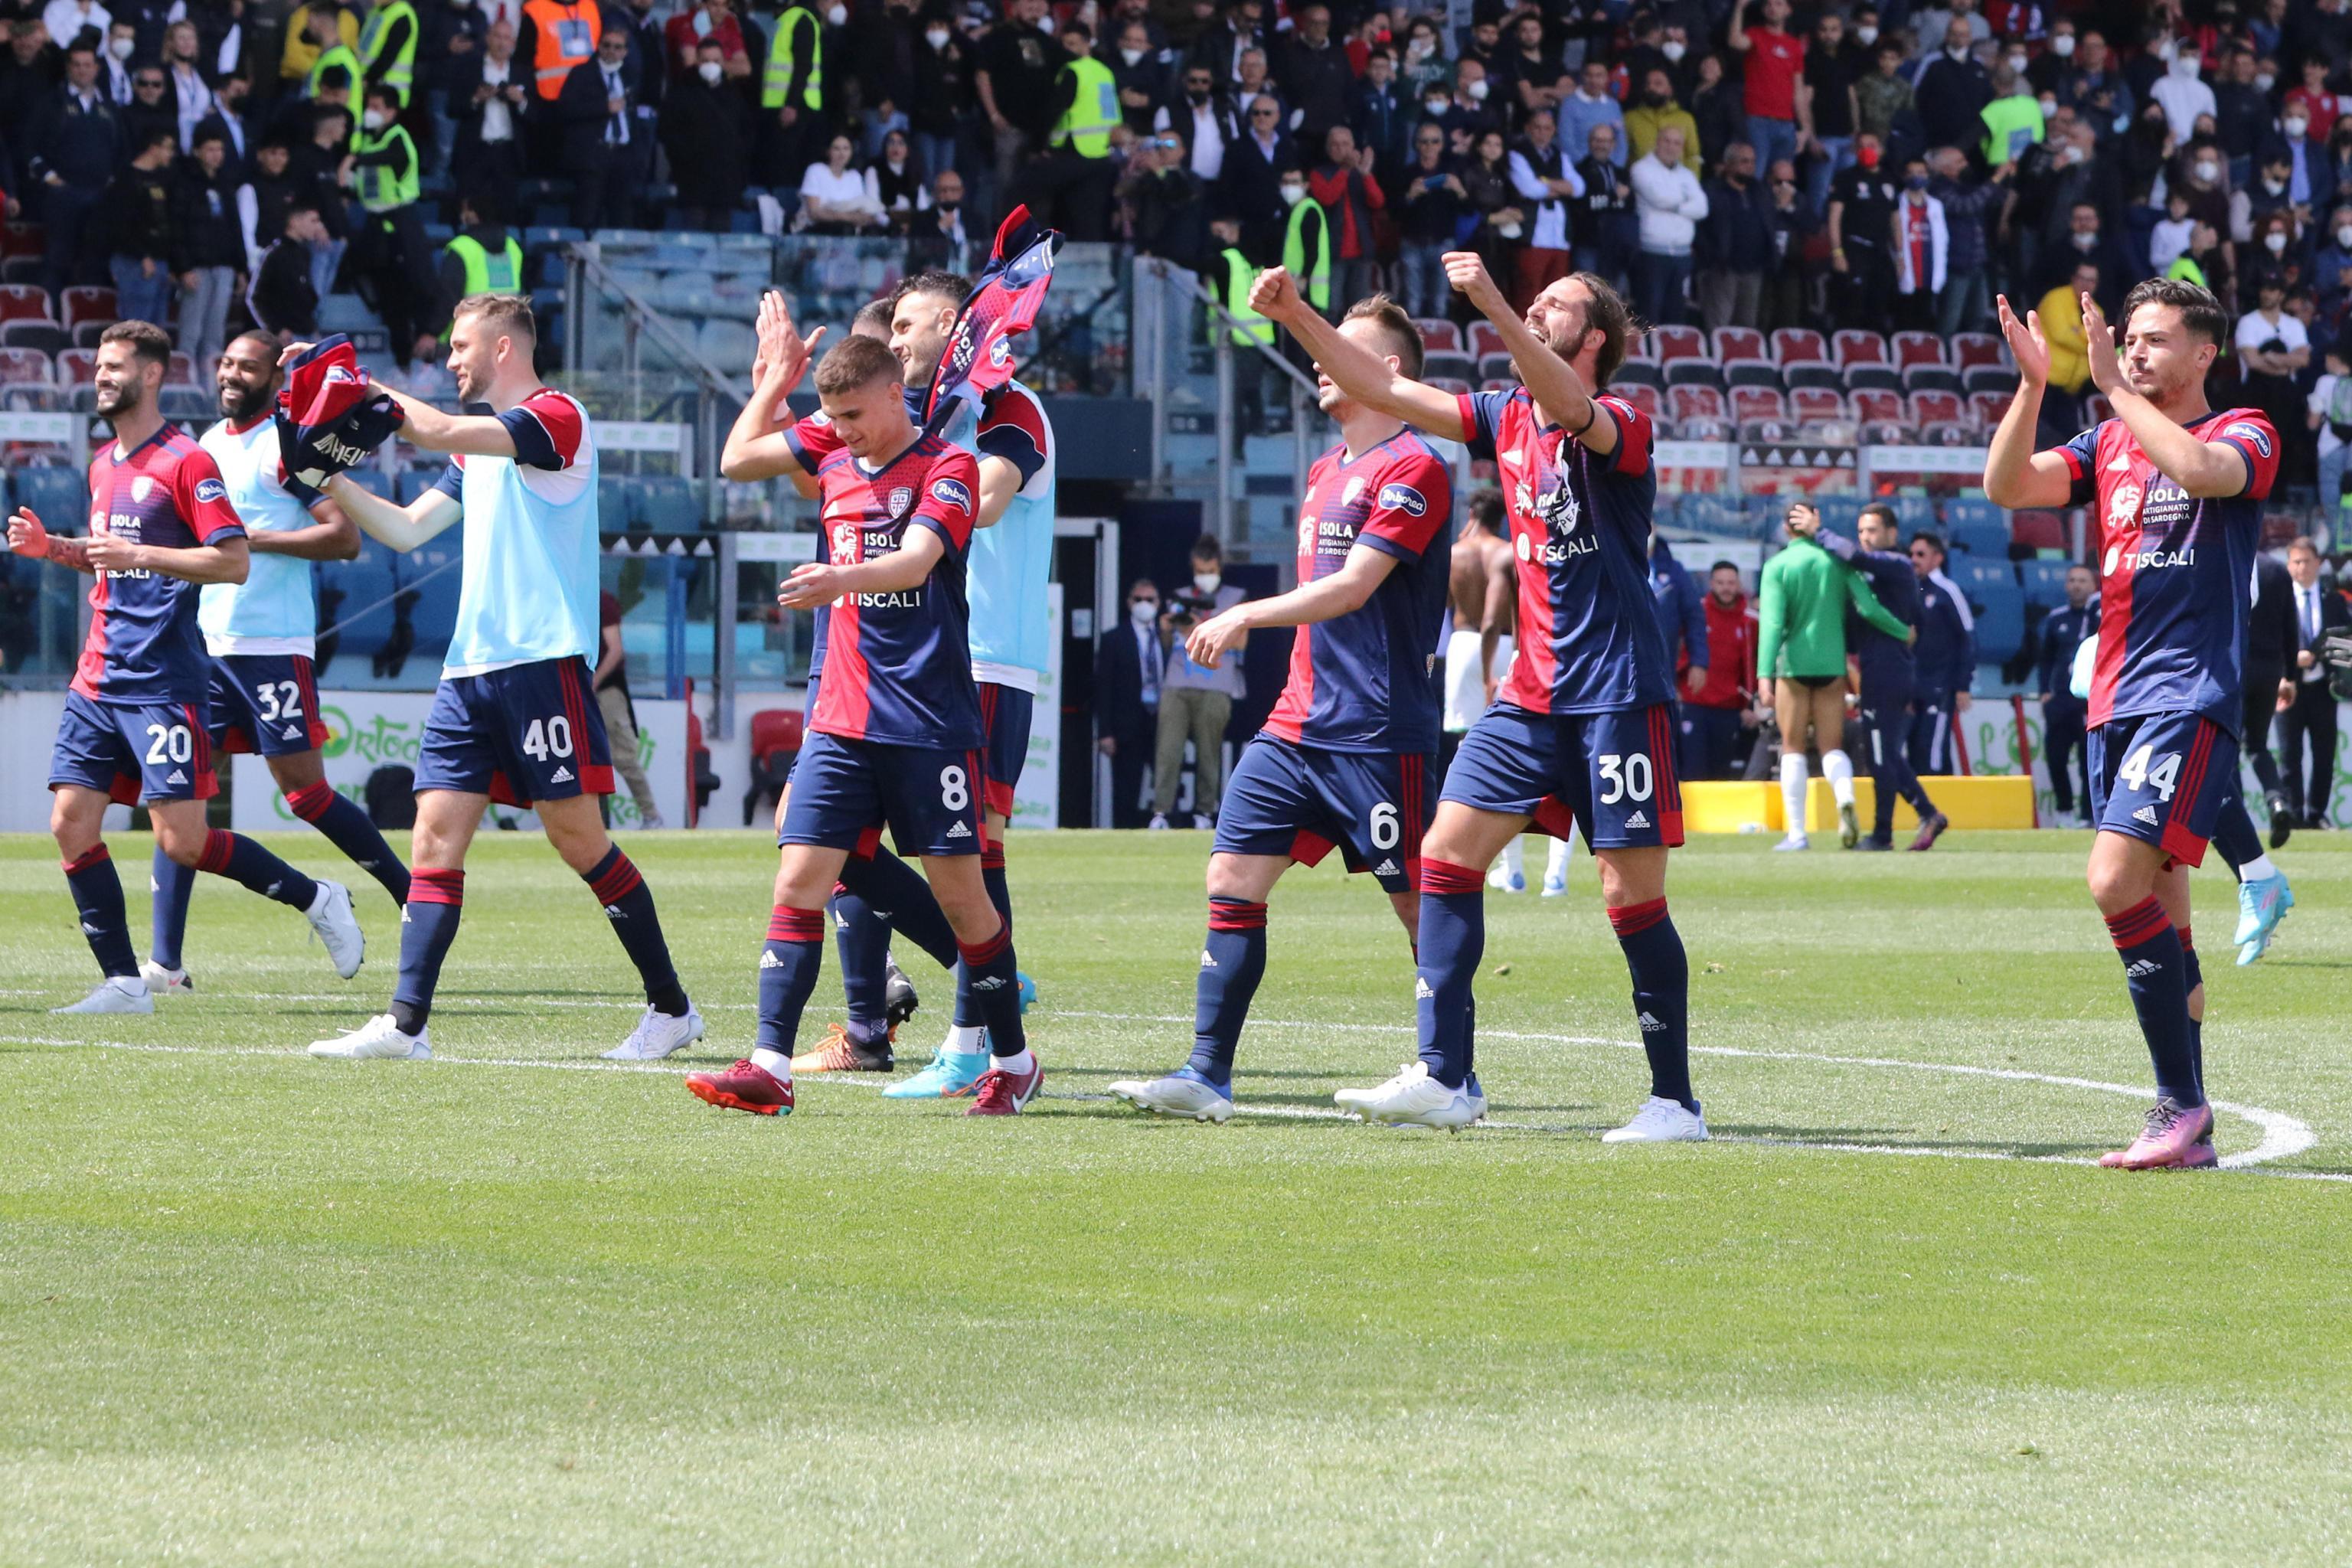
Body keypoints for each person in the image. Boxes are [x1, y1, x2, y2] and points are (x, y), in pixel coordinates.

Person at [1252, 253, 1705, 1142]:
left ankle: (1674, 1100)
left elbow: (1569, 405)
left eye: (1556, 306)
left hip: (1618, 693)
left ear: (1595, 339)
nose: (1538, 308)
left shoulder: (1618, 419)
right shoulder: (1499, 416)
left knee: (1628, 897)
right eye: (1533, 300)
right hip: (1530, 694)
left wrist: (1495, 301)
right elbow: (1388, 389)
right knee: (1447, 854)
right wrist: (1299, 317)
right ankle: (1447, 1074)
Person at [302, 294, 704, 1064]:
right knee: (433, 837)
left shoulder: (557, 416)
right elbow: (406, 526)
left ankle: (672, 1008)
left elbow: (443, 426)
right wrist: (327, 478)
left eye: (460, 346)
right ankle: (406, 1025)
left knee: (578, 839)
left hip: (540, 658)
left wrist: (366, 394)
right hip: (472, 666)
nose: (451, 359)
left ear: (505, 347)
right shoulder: (476, 449)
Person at [1108, 297, 1453, 1124]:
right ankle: (1206, 1071)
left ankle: (1449, 1073)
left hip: (1376, 729)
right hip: (1296, 724)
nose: (1323, 357)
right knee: (1230, 876)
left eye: (1345, 345)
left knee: (1417, 902)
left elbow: (1353, 587)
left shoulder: (1419, 466)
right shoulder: (1326, 469)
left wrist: (1243, 614)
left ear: (1391, 371)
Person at [684, 335, 1040, 1119]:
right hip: (842, 718)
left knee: (965, 906)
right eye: (831, 415)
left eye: (851, 414)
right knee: (798, 880)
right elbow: (738, 458)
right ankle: (770, 1063)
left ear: (892, 396)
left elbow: (915, 561)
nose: (839, 430)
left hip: (929, 724)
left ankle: (1014, 1060)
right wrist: (775, 382)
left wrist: (839, 577)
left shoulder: (947, 466)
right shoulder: (837, 460)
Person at [1983, 277, 2278, 1168]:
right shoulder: (2107, 439)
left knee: (2113, 880)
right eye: (2129, 339)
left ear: (2203, 354)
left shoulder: (2246, 430)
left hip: (2188, 696)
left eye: (2154, 340)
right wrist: (2034, 388)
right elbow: (2007, 487)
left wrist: (2110, 383)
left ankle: (2180, 1104)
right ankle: (2187, 1124)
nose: (2136, 351)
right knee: (2165, 916)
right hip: (2114, 700)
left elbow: (2198, 472)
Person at [8, 321, 366, 1017]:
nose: (100, 376)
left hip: (164, 682)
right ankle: (124, 983)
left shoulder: (185, 461)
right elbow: (111, 552)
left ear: (150, 376)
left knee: (185, 841)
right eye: (99, 366)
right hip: (98, 675)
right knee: (70, 823)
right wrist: (54, 547)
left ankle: (318, 898)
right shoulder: (104, 462)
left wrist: (139, 556)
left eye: (113, 367)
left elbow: (230, 560)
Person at [144, 333, 414, 995]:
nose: (233, 373)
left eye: (248, 366)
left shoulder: (290, 447)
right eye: (227, 362)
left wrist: (246, 539)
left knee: (305, 795)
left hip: (273, 648)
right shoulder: (205, 445)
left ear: (271, 378)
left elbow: (344, 538)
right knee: (182, 796)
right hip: (205, 647)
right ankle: (166, 964)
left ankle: (410, 895)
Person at [1756, 501, 1911, 851]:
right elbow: (1868, 607)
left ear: (1784, 529)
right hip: (1832, 664)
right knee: (1832, 746)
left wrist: (1765, 673)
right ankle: (1844, 797)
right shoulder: (1837, 562)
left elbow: (1773, 625)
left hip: (1793, 666)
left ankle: (1797, 834)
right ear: (1815, 521)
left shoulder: (1777, 565)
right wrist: (1902, 631)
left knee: (1793, 747)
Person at [1826, 503, 1949, 850]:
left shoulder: (1896, 565)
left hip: (1889, 672)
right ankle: (1928, 814)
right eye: (1862, 531)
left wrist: (1819, 532)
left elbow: (1853, 556)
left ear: (1892, 534)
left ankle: (1883, 834)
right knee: (1886, 752)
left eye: (1873, 531)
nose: (1865, 537)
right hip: (1881, 670)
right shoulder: (1875, 577)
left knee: (1882, 753)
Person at [1150, 535, 1246, 829]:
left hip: (1216, 684)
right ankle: (1161, 813)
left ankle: (1205, 812)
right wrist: (1167, 627)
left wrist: (1199, 626)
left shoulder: (1235, 598)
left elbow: (1241, 642)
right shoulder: (1180, 596)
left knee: (1209, 751)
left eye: (1210, 571)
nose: (1204, 577)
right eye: (1199, 571)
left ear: (1219, 567)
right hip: (1178, 682)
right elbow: (1167, 643)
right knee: (1168, 749)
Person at [2281, 534, 2348, 827]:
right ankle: (2294, 814)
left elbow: (2344, 638)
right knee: (2289, 754)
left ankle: (2317, 814)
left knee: (2323, 754)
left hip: (2323, 688)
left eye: (2308, 561)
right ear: (2288, 565)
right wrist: (2293, 658)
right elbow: (2269, 639)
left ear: (2319, 564)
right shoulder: (2280, 600)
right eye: (2296, 561)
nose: (2302, 567)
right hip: (2288, 687)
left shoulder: (2332, 599)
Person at [560, 21, 648, 232]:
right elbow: (566, 110)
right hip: (593, 157)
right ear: (598, 47)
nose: (611, 51)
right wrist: (603, 107)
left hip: (622, 157)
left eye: (618, 47)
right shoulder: (581, 73)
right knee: (587, 216)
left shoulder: (629, 77)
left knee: (622, 217)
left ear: (625, 52)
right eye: (606, 45)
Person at [171, 128, 244, 371]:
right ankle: (186, 380)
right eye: (211, 149)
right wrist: (183, 267)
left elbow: (235, 227)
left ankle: (211, 386)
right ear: (197, 151)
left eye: (220, 150)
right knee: (191, 330)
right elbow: (178, 228)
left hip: (223, 265)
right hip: (197, 266)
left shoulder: (225, 183)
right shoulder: (185, 183)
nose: (216, 155)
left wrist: (240, 267)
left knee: (216, 330)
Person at [1096, 577, 1164, 828]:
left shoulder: (1168, 637)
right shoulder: (1114, 639)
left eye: (1150, 600)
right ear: (1129, 602)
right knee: (1126, 788)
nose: (1144, 604)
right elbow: (1103, 688)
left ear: (1159, 603)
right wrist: (1105, 732)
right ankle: (1124, 833)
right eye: (1139, 599)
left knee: (1165, 783)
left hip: (1161, 721)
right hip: (1127, 725)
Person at [2034, 561, 2097, 825]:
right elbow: (2045, 658)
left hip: (2088, 700)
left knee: (2088, 761)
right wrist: (2044, 691)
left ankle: (2087, 815)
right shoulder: (2056, 618)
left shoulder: (2101, 616)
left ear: (2093, 586)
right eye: (2072, 580)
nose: (2076, 585)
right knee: (2056, 758)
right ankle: (2064, 812)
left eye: (2082, 580)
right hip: (2060, 698)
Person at [1906, 531, 1973, 776]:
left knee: (1931, 753)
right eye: (1911, 554)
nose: (1914, 559)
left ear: (1938, 558)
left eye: (1921, 554)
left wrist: (1963, 686)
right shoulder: (1912, 589)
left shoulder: (1948, 591)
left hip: (1940, 684)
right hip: (1914, 685)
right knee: (1915, 750)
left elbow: (1967, 638)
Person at [1684, 560, 1757, 781]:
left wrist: (1749, 705)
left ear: (1739, 585)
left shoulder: (1750, 621)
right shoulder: (1695, 614)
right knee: (1692, 772)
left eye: (1731, 583)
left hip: (1729, 709)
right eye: (1721, 582)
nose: (1726, 588)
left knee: (1721, 774)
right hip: (1694, 705)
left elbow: (1753, 666)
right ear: (1711, 583)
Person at [594, 589, 660, 826]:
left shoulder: (601, 600)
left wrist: (592, 683)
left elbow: (615, 650)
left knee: (624, 758)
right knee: (583, 762)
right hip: (580, 692)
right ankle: (594, 822)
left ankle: (652, 816)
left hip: (606, 692)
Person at [1632, 122, 1706, 327]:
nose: (1671, 147)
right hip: (1652, 253)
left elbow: (1702, 208)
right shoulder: (1641, 169)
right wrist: (1685, 202)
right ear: (1657, 142)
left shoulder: (1687, 175)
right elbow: (1659, 199)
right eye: (1667, 141)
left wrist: (1675, 205)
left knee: (1676, 314)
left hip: (1682, 256)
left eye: (1677, 143)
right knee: (1649, 313)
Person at [101, 126, 176, 328]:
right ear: (153, 147)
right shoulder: (126, 179)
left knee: (156, 330)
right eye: (168, 148)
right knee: (135, 327)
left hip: (159, 260)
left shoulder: (163, 179)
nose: (171, 154)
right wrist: (141, 255)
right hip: (134, 262)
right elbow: (119, 224)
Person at [1726, 0, 1808, 178]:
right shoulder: (1755, 34)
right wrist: (1739, 8)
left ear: (1788, 10)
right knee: (1755, 175)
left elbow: (1799, 90)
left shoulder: (1794, 45)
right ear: (1763, 10)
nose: (1772, 8)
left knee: (1781, 178)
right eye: (1768, 4)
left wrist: (1804, 128)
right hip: (1758, 120)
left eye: (1778, 4)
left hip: (1787, 123)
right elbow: (1735, 41)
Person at [249, 199, 325, 337]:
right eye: (313, 221)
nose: (318, 226)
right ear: (294, 222)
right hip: (288, 337)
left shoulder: (304, 253)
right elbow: (255, 298)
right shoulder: (274, 254)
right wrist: (276, 329)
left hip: (308, 331)